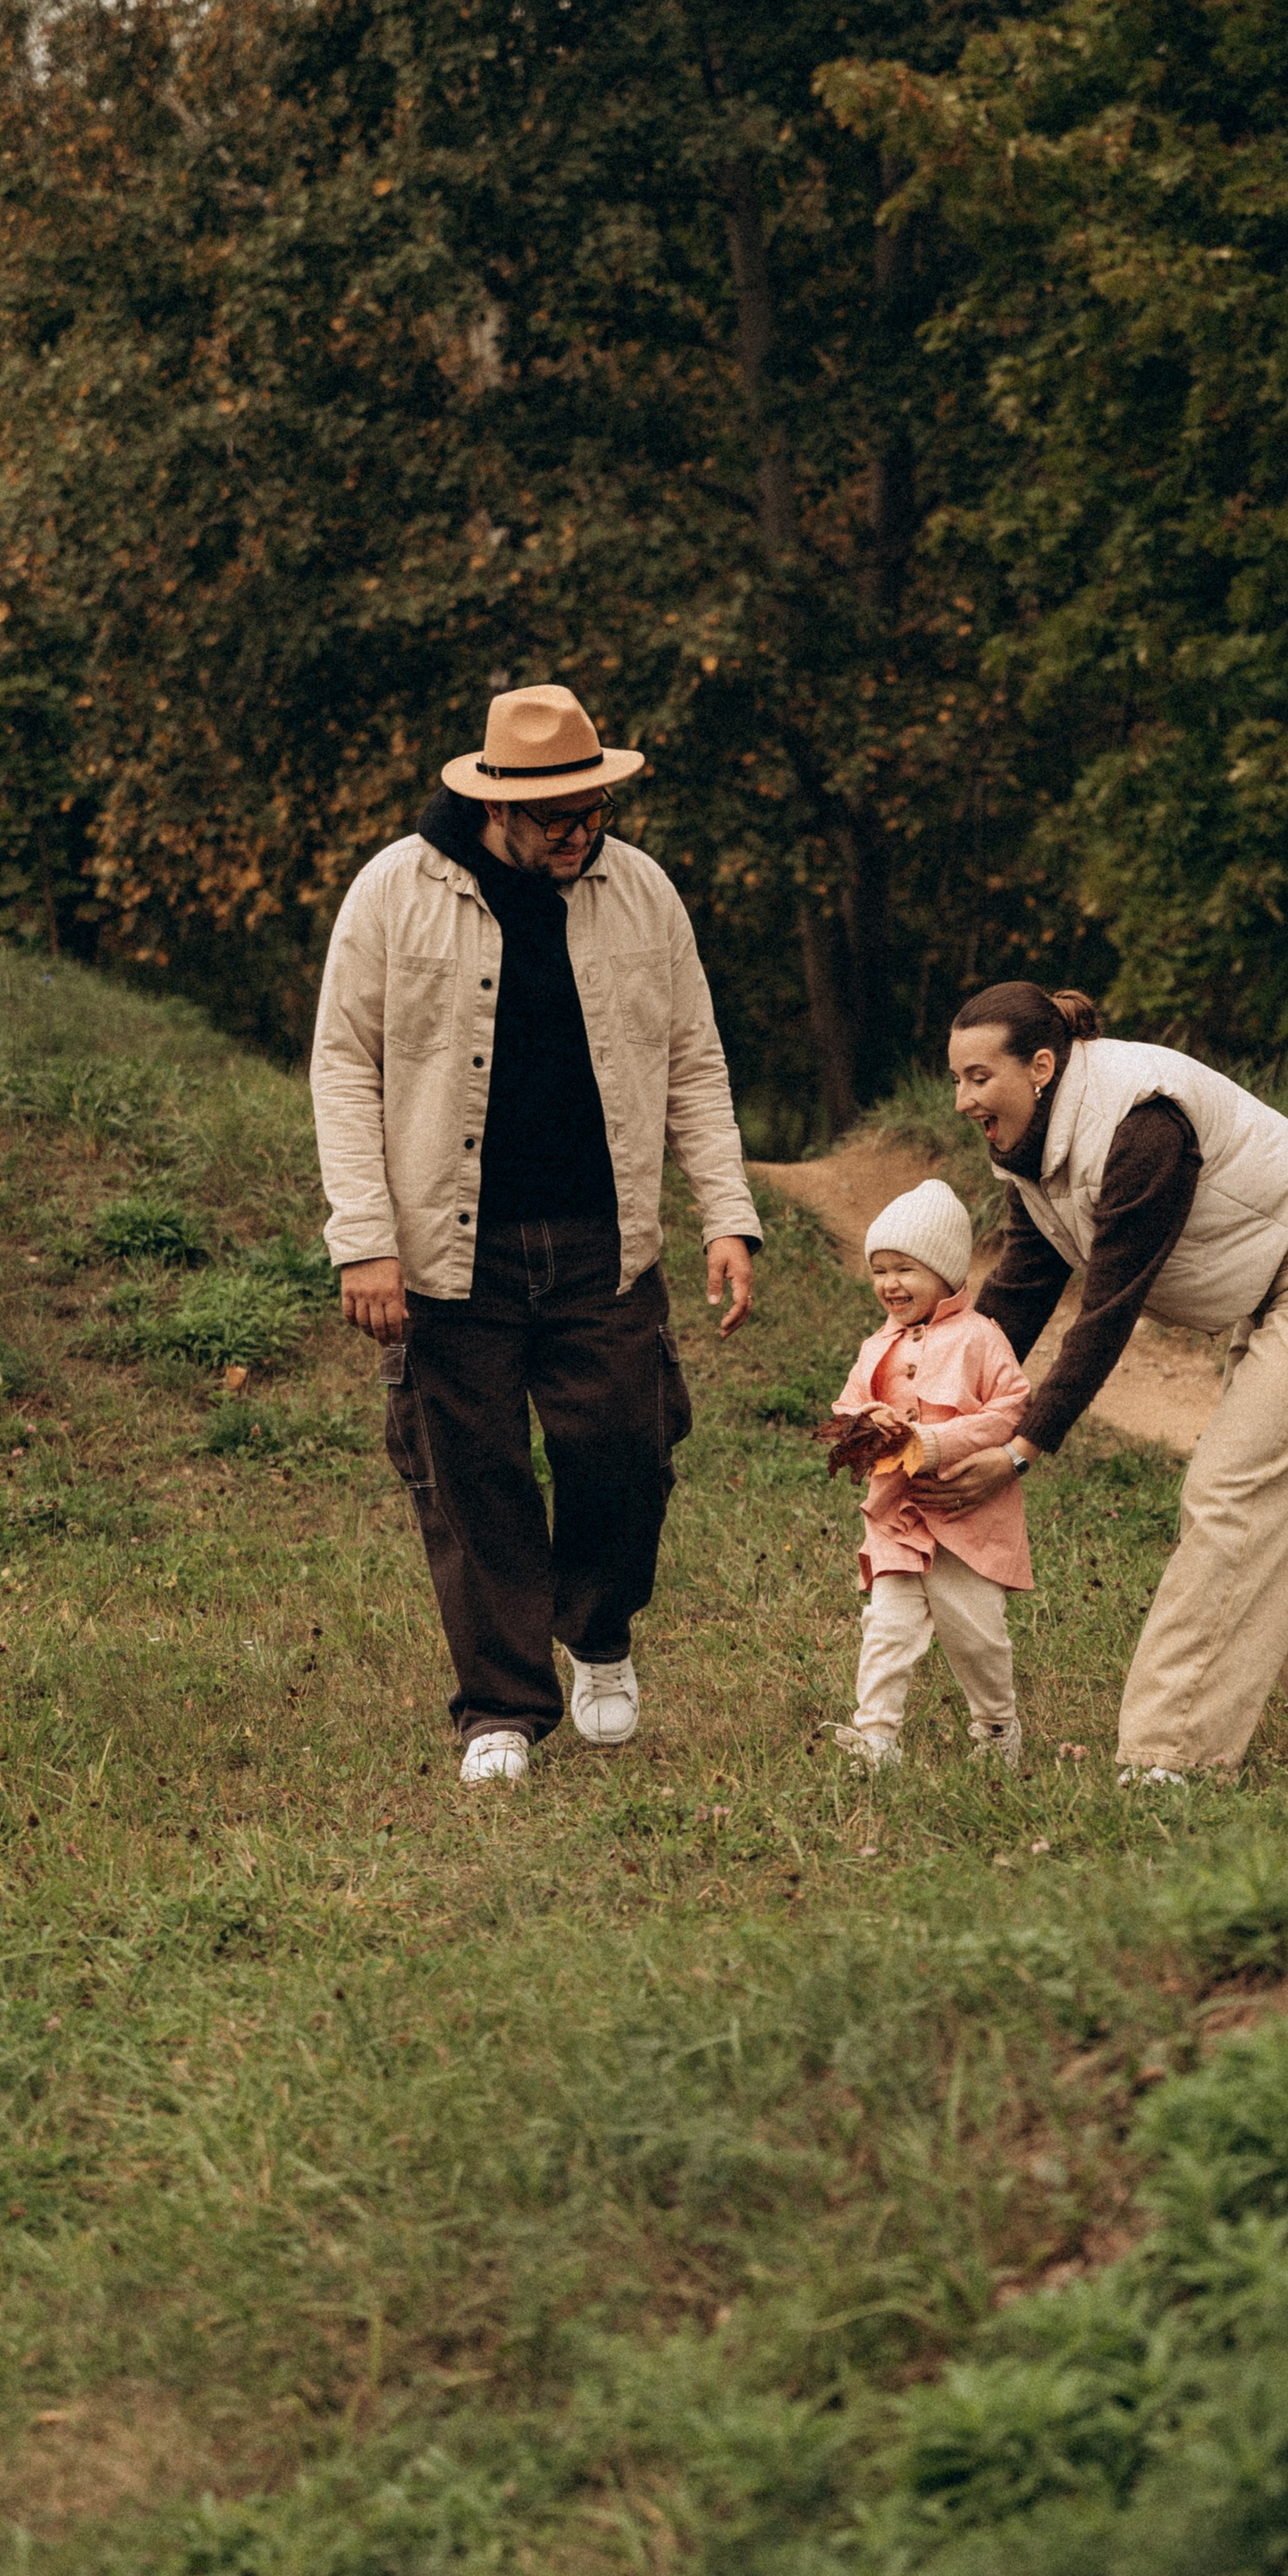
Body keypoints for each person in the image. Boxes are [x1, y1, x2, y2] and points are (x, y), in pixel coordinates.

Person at [310, 683, 760, 1783]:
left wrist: (727, 1213)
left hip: (605, 1241)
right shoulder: (392, 890)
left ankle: (597, 1633)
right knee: (474, 1481)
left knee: (627, 1453)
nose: (581, 833)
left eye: (595, 811)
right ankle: (502, 1709)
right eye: (559, 818)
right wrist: (363, 1237)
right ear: (494, 805)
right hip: (447, 1251)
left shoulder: (641, 889)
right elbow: (343, 1065)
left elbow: (694, 1058)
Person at [917, 981, 1288, 1782]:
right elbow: (1024, 1285)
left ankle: (1171, 1756)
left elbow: (1108, 1308)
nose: (962, 1100)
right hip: (1275, 1289)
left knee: (1233, 1496)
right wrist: (928, 1405)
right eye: (957, 1079)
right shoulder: (1033, 1146)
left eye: (978, 1077)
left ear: (1040, 1067)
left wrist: (1022, 1448)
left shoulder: (1142, 1125)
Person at [827, 1178, 1032, 1772]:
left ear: (946, 1273)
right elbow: (846, 1410)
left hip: (966, 1516)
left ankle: (996, 1730)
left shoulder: (980, 1337)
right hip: (898, 1514)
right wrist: (866, 1420)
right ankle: (876, 1739)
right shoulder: (876, 1347)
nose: (890, 1284)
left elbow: (1012, 1409)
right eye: (880, 1270)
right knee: (886, 1628)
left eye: (905, 1269)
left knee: (977, 1636)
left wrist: (939, 1443)